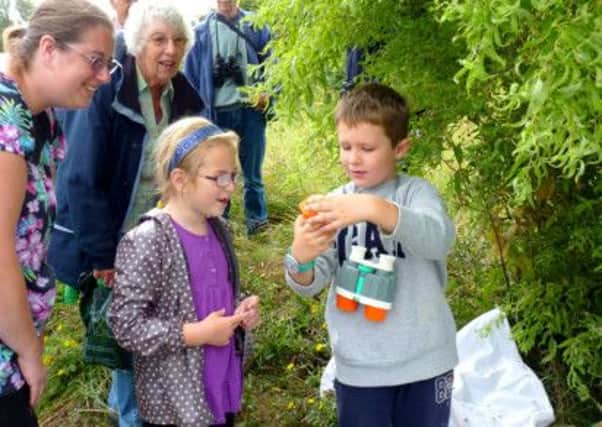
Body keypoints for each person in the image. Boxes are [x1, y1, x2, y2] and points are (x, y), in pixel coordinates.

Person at [47, 1, 202, 426]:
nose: (170, 50)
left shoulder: (185, 96)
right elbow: (79, 177)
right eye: (159, 40)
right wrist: (103, 255)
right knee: (131, 343)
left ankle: (140, 411)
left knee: (151, 338)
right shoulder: (106, 90)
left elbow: (195, 167)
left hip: (160, 238)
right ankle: (133, 417)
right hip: (114, 241)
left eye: (179, 40)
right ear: (137, 44)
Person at [284, 83, 458, 427]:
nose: (353, 158)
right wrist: (300, 257)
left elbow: (438, 239)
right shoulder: (333, 204)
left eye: (367, 147)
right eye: (345, 146)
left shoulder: (416, 194)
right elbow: (308, 283)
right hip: (360, 371)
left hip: (427, 364)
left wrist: (373, 208)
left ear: (400, 148)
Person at [0, 1, 114, 425]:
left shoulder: (40, 115)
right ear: (48, 48)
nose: (104, 77)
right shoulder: (5, 120)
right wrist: (29, 350)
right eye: (95, 61)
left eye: (110, 64)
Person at [108, 116, 260, 427]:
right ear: (180, 179)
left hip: (220, 386)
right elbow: (126, 325)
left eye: (233, 176)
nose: (230, 187)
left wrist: (240, 310)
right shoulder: (148, 241)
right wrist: (197, 333)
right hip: (174, 406)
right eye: (218, 177)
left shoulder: (221, 231)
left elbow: (215, 294)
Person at [184, 0, 272, 236]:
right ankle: (221, 223)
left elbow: (273, 63)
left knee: (253, 172)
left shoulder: (256, 26)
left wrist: (268, 91)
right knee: (220, 172)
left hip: (250, 110)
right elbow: (190, 80)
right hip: (217, 115)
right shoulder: (200, 33)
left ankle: (258, 222)